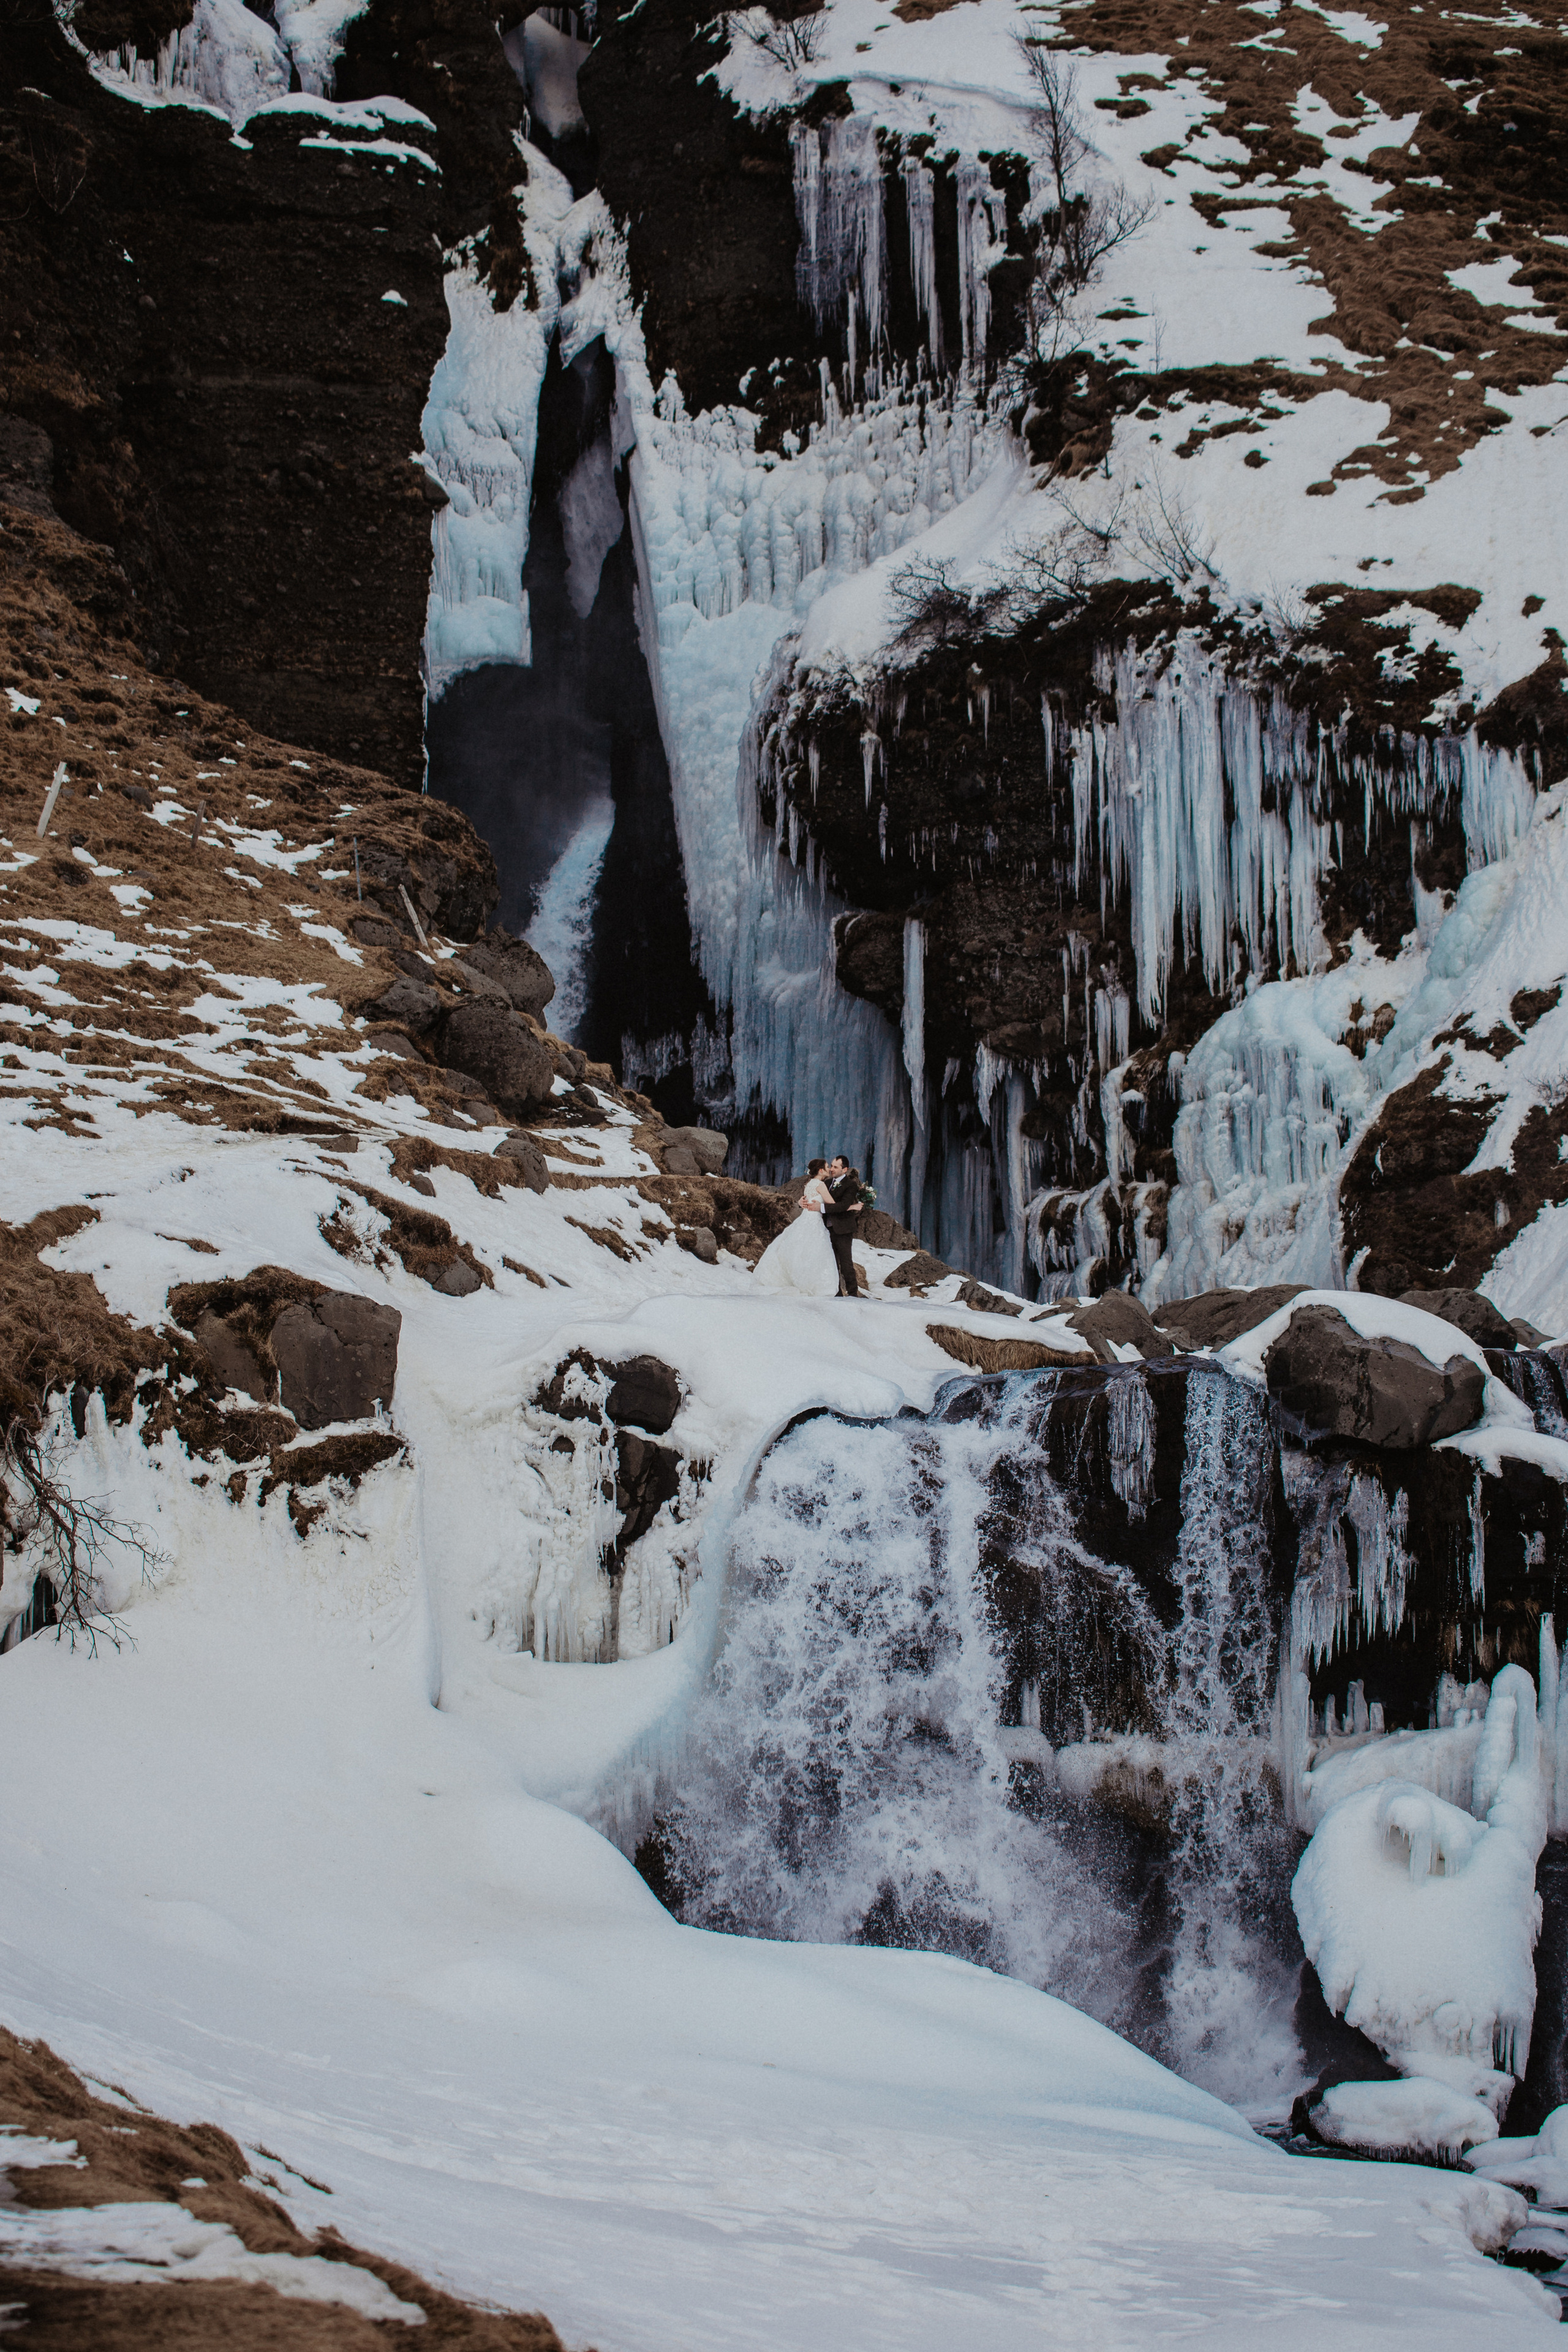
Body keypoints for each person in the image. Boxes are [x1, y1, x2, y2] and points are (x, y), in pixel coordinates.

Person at [753, 1158, 838, 1297]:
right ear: (821, 1170)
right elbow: (832, 1204)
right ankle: (810, 1283)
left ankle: (795, 1277)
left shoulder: (809, 1184)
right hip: (814, 1220)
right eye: (828, 1166)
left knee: (800, 1249)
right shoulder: (821, 1185)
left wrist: (801, 1202)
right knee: (813, 1251)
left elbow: (804, 1200)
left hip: (805, 1218)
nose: (830, 1169)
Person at [823, 1153, 864, 1299]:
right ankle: (837, 1293)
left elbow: (844, 1205)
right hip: (827, 1229)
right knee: (832, 1263)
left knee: (846, 1263)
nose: (832, 1169)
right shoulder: (827, 1183)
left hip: (844, 1229)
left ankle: (853, 1293)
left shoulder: (851, 1185)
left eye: (835, 1167)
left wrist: (822, 1208)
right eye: (831, 1166)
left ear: (844, 1169)